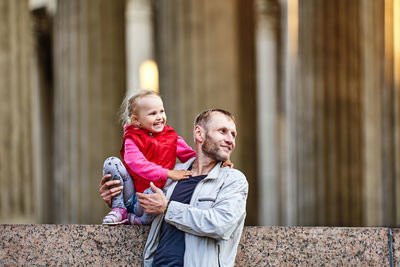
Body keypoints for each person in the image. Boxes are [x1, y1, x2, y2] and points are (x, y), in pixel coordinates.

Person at [100, 108, 248, 266]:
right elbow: (145, 213)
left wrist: (167, 208)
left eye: (233, 134)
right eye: (222, 131)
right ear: (199, 133)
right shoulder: (172, 173)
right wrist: (118, 199)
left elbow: (220, 225)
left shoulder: (233, 180)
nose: (230, 139)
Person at [101, 89, 196, 225]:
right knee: (111, 162)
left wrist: (219, 162)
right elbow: (137, 164)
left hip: (148, 200)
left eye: (161, 111)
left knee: (158, 193)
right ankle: (119, 209)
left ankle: (138, 220)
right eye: (152, 113)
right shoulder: (131, 139)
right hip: (129, 192)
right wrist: (168, 173)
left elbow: (192, 157)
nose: (159, 117)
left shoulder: (172, 138)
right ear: (136, 120)